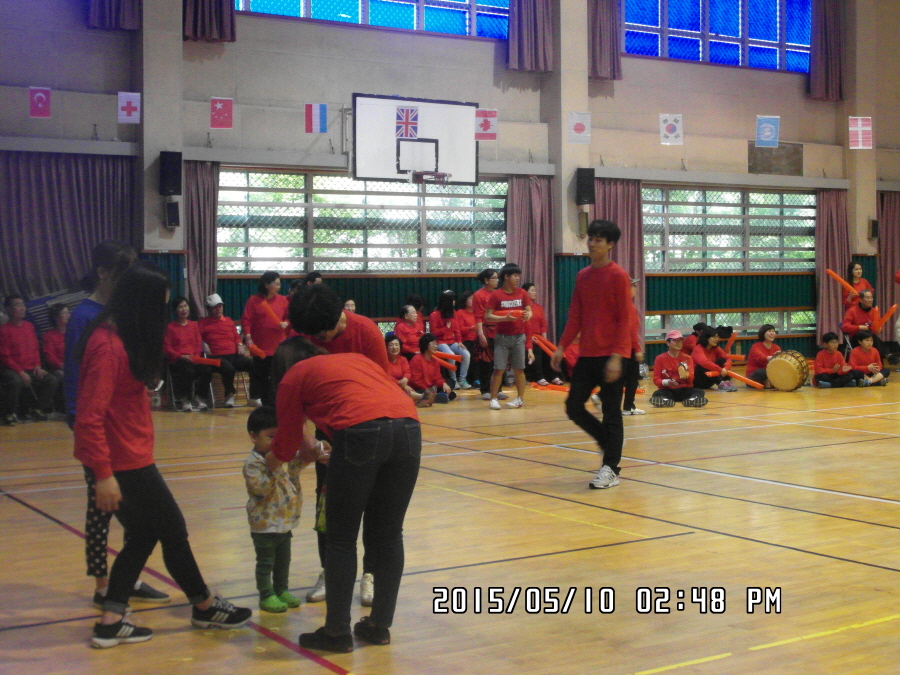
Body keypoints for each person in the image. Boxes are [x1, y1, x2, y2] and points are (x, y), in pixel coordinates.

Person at [74, 261, 251, 648]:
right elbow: (88, 418)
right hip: (124, 465)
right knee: (173, 530)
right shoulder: (108, 346)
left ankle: (111, 619)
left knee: (143, 535)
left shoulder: (121, 338)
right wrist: (103, 474)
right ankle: (204, 606)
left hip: (129, 459)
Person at [268, 338, 422, 653]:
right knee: (389, 534)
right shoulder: (355, 360)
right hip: (409, 428)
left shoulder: (293, 375)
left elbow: (285, 443)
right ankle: (378, 627)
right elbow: (370, 409)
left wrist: (263, 465)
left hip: (359, 432)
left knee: (340, 538)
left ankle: (336, 633)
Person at [62, 242, 167, 608]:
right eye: (123, 275)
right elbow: (78, 376)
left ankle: (128, 576)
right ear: (103, 273)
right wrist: (78, 420)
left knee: (132, 511)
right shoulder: (84, 316)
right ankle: (104, 585)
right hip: (95, 426)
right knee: (100, 509)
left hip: (122, 428)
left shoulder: (122, 311)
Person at [288, 283, 389, 606]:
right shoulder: (307, 332)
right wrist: (306, 437)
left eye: (322, 334)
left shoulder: (366, 332)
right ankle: (330, 571)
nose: (317, 340)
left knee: (373, 506)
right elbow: (293, 386)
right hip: (327, 435)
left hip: (368, 431)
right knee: (327, 507)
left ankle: (371, 573)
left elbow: (381, 387)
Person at [551, 220, 632, 490]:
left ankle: (611, 469)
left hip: (612, 355)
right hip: (587, 354)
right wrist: (561, 347)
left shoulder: (618, 276)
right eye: (591, 238)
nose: (592, 243)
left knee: (611, 412)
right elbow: (576, 315)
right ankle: (607, 443)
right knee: (573, 406)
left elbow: (625, 319)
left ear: (610, 244)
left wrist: (618, 357)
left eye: (599, 240)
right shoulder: (583, 276)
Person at [243, 405, 306, 613]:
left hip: (284, 522)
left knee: (283, 561)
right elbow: (260, 489)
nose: (276, 443)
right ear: (253, 436)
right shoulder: (253, 464)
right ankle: (266, 594)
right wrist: (275, 464)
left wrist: (312, 455)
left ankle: (281, 590)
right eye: (271, 437)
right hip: (264, 524)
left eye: (279, 438)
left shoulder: (279, 457)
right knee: (265, 563)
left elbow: (294, 470)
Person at [0, 294, 59, 424]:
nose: (22, 308)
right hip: (12, 369)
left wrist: (37, 366)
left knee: (51, 380)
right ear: (8, 309)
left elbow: (35, 349)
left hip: (31, 368)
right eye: (17, 305)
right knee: (15, 381)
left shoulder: (29, 326)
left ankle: (36, 409)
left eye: (23, 305)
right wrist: (21, 373)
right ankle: (8, 414)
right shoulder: (4, 330)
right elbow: (5, 356)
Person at [485, 263, 533, 409]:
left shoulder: (522, 293)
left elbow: (529, 311)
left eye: (519, 276)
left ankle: (520, 399)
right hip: (502, 337)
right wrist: (504, 318)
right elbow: (488, 316)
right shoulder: (496, 295)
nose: (518, 278)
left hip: (519, 336)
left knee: (519, 369)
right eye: (515, 276)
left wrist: (528, 315)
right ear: (506, 277)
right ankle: (493, 399)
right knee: (498, 369)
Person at [241, 271, 290, 407]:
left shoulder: (283, 300)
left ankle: (277, 402)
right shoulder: (254, 300)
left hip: (278, 345)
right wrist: (248, 336)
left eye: (279, 284)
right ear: (267, 284)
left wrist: (286, 323)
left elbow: (289, 317)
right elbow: (246, 320)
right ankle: (267, 404)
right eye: (276, 284)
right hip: (260, 346)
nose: (279, 286)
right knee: (262, 376)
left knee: (278, 376)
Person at [198, 293, 253, 408]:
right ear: (209, 309)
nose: (218, 309)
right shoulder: (203, 323)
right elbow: (196, 338)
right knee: (228, 368)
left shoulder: (228, 321)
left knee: (253, 364)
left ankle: (254, 395)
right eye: (215, 307)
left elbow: (236, 337)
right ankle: (229, 394)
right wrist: (203, 344)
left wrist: (239, 344)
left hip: (233, 355)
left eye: (220, 306)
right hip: (216, 357)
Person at [164, 296, 213, 412]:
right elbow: (166, 347)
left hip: (193, 358)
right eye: (180, 307)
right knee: (187, 371)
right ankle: (184, 399)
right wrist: (181, 356)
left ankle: (199, 398)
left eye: (185, 306)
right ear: (175, 311)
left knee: (207, 370)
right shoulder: (170, 327)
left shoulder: (193, 325)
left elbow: (198, 344)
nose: (184, 309)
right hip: (178, 359)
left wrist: (195, 356)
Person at [473, 268, 508, 402]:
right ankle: (486, 390)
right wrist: (481, 334)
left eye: (497, 278)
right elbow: (478, 316)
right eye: (494, 278)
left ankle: (498, 389)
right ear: (486, 280)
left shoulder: (498, 294)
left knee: (499, 361)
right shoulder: (478, 295)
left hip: (499, 330)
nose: (497, 280)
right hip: (486, 330)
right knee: (486, 362)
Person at [648, 331, 707, 407]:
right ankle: (665, 400)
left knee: (699, 391)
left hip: (685, 389)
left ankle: (692, 400)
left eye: (680, 341)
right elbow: (656, 380)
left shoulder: (688, 358)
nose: (678, 343)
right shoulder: (660, 358)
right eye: (675, 340)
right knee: (657, 393)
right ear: (668, 342)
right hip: (668, 390)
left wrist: (685, 375)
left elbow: (691, 379)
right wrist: (668, 382)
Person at [428, 290, 472, 390]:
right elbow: (433, 333)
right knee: (451, 355)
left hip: (452, 341)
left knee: (466, 354)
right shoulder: (434, 315)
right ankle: (453, 380)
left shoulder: (453, 313)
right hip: (440, 342)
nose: (454, 302)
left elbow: (456, 329)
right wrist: (445, 329)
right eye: (452, 300)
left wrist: (459, 341)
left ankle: (462, 379)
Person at [522, 282, 562, 387]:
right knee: (537, 351)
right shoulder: (522, 308)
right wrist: (529, 338)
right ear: (525, 293)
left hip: (539, 337)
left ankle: (553, 376)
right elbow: (522, 325)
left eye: (535, 290)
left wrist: (544, 338)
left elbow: (543, 323)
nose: (535, 292)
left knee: (549, 351)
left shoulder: (538, 307)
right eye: (532, 290)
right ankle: (539, 377)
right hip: (527, 337)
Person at [386, 334, 435, 407]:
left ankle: (422, 398)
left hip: (403, 384)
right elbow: (387, 376)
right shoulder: (384, 361)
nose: (394, 347)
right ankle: (422, 397)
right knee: (403, 390)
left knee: (408, 389)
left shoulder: (403, 359)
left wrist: (405, 379)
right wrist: (401, 384)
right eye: (391, 345)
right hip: (389, 385)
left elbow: (407, 372)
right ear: (386, 347)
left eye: (396, 345)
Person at [409, 333, 456, 403]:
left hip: (432, 388)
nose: (435, 346)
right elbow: (415, 381)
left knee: (451, 382)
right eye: (433, 344)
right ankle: (440, 396)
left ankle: (439, 396)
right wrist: (429, 391)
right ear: (426, 345)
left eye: (436, 344)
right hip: (420, 388)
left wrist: (443, 384)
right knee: (418, 392)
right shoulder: (416, 359)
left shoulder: (435, 361)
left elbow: (437, 378)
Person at [621, 278, 645, 415]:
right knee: (629, 378)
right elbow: (631, 330)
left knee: (626, 377)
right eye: (633, 285)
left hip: (623, 347)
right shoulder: (628, 307)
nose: (635, 288)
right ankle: (627, 406)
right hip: (626, 348)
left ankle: (628, 406)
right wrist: (637, 349)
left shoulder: (623, 305)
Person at [42, 302, 70, 415]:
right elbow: (49, 355)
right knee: (62, 376)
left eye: (68, 312)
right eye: (64, 313)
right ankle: (63, 409)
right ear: (56, 317)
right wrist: (62, 365)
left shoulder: (73, 331)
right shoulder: (49, 335)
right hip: (59, 368)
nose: (68, 315)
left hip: (75, 364)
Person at [841, 289, 887, 353]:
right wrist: (859, 327)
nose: (870, 300)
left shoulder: (874, 311)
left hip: (871, 337)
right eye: (867, 298)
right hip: (857, 338)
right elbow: (845, 327)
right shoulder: (852, 311)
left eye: (871, 297)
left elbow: (879, 325)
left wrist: (879, 329)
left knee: (874, 341)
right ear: (860, 300)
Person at [455, 289, 478, 384]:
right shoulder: (460, 313)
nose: (473, 301)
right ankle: (471, 379)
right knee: (471, 351)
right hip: (466, 340)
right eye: (470, 299)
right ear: (465, 300)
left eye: (474, 299)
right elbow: (458, 329)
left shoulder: (477, 312)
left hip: (478, 339)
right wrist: (470, 328)